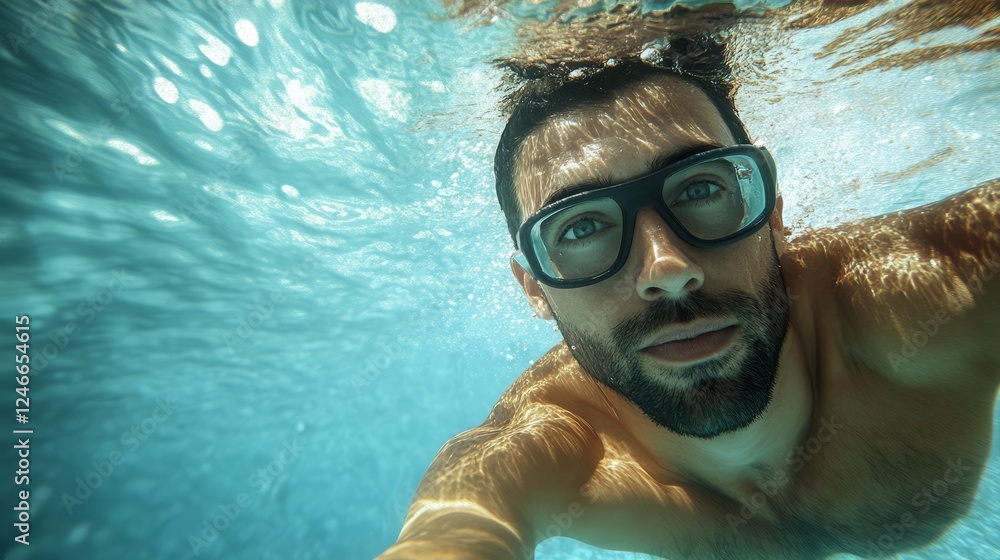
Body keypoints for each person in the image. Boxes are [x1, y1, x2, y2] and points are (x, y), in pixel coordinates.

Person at [377, 33, 999, 560]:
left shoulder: (931, 286)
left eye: (701, 188)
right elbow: (453, 533)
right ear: (535, 288)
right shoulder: (553, 447)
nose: (668, 270)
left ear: (774, 216)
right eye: (582, 227)